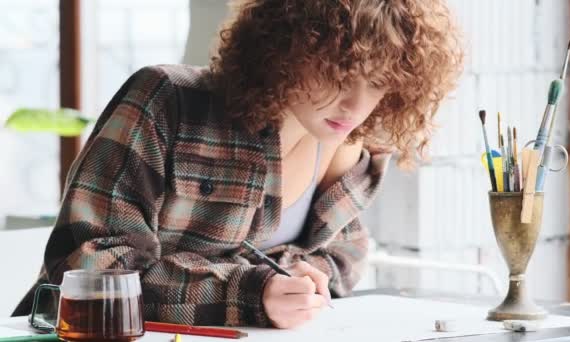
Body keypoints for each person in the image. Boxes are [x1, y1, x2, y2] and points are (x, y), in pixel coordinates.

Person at [14, 0, 463, 329]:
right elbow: (92, 271)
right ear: (288, 47)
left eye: (379, 83)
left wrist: (297, 284)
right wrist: (253, 291)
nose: (355, 103)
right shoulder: (166, 101)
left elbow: (345, 255)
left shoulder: (349, 150)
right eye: (339, 73)